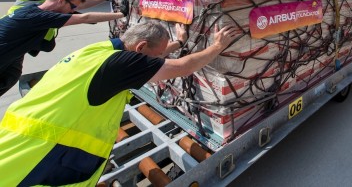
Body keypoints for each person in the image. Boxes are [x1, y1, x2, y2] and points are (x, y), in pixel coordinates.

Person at [0, 21, 240, 186]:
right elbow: (183, 67)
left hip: (14, 148)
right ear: (140, 48)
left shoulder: (100, 50)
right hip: (39, 160)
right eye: (156, 56)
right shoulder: (123, 64)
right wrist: (218, 46)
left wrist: (177, 43)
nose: (157, 61)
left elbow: (148, 57)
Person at [0, 0, 126, 96]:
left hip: (10, 57)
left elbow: (83, 13)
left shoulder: (32, 9)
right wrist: (121, 14)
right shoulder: (39, 17)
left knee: (13, 75)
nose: (72, 10)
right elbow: (84, 17)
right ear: (60, 1)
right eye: (71, 7)